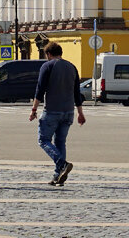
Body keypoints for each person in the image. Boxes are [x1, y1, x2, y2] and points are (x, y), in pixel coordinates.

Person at [29, 41, 86, 185]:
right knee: (60, 142)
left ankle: (62, 164)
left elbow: (40, 90)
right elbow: (76, 92)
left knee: (43, 140)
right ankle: (57, 176)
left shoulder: (47, 66)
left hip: (52, 111)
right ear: (61, 53)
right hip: (68, 112)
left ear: (48, 54)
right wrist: (80, 113)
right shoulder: (72, 67)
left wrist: (34, 110)